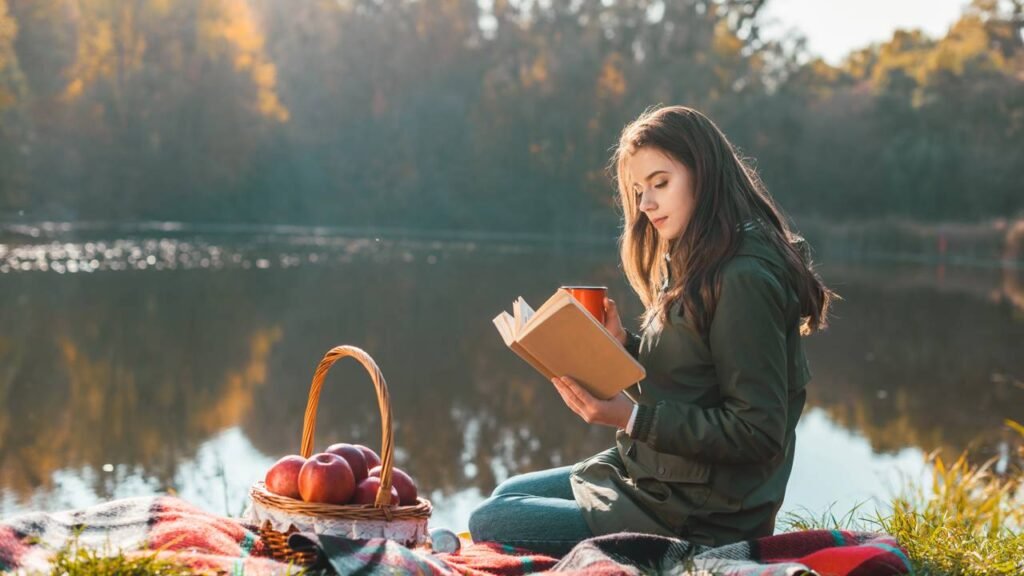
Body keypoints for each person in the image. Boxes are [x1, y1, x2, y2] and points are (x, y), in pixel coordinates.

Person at [468, 105, 835, 556]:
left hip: (702, 513)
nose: (645, 204)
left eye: (660, 183)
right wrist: (622, 345)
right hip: (660, 475)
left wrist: (630, 417)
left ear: (705, 175)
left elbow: (757, 433)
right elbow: (696, 377)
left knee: (490, 520)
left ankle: (663, 555)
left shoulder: (742, 278)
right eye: (639, 190)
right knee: (506, 494)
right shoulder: (695, 256)